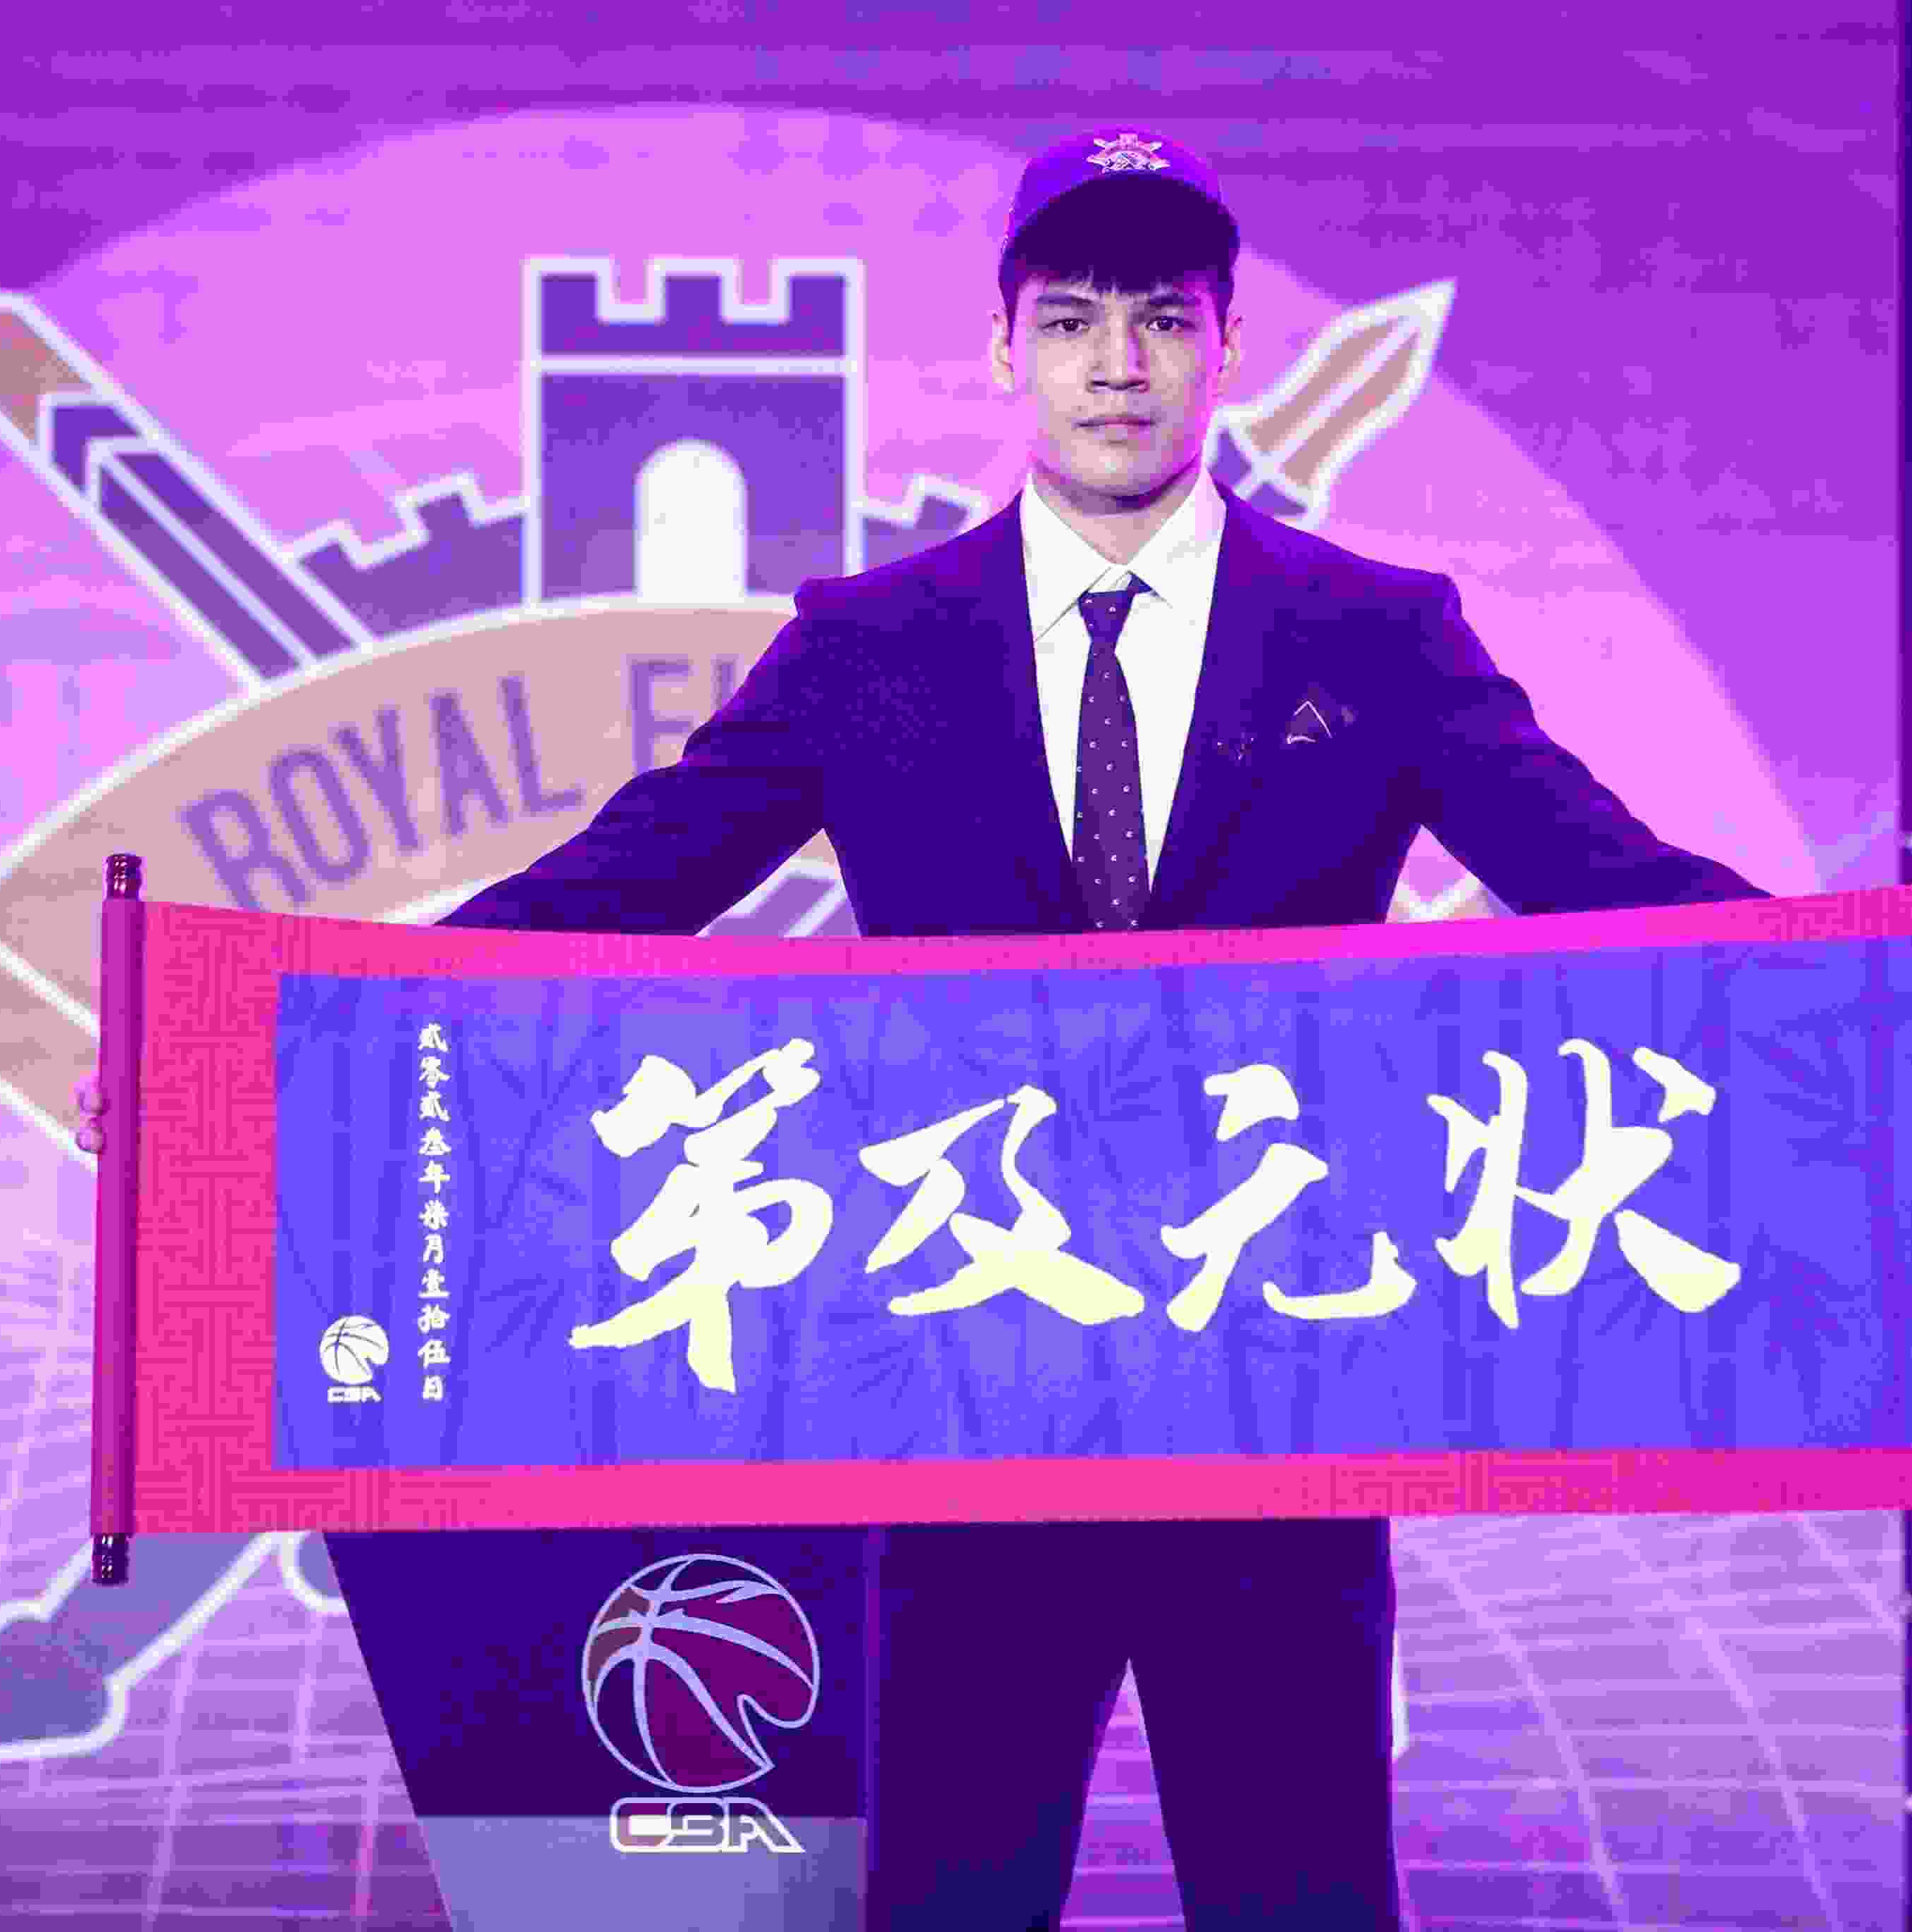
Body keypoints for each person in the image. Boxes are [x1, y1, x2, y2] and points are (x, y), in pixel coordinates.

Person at [89, 126, 1777, 1928]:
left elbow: (1607, 880)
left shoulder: (1369, 636)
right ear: (1002, 351)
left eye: (1162, 317)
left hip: (1271, 1396)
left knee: (1299, 1900)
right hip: (970, 1405)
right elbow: (617, 886)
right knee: (948, 1901)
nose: (1117, 362)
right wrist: (246, 1037)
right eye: (1071, 320)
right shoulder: (870, 646)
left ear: (1228, 346)